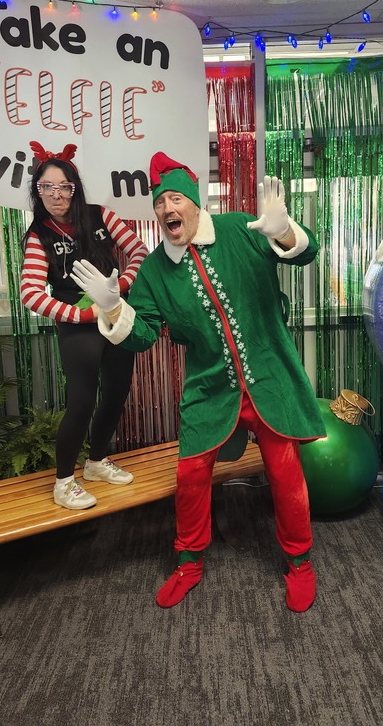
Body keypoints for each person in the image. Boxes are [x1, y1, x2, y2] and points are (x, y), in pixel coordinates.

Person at [70, 152, 326, 611]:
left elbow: (307, 253)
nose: (168, 208)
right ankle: (188, 563)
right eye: (160, 202)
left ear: (193, 204)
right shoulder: (152, 273)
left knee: (286, 473)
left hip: (268, 377)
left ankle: (300, 562)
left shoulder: (240, 230)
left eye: (175, 199)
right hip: (210, 387)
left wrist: (284, 232)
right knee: (190, 474)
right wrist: (112, 306)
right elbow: (143, 334)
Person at [20, 141, 148, 510]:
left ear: (75, 188)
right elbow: (29, 291)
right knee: (81, 401)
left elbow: (139, 251)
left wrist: (118, 287)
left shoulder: (100, 216)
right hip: (77, 323)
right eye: (47, 187)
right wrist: (78, 314)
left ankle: (95, 463)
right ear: (37, 191)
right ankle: (63, 483)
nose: (56, 194)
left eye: (63, 186)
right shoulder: (38, 235)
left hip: (115, 314)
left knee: (118, 390)